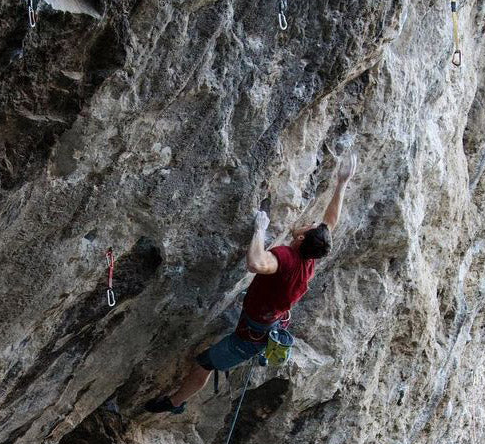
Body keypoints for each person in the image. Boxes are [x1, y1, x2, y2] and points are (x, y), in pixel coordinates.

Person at [145, 155, 357, 414]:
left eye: (308, 226)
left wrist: (260, 230)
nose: (310, 222)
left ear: (301, 237)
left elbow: (256, 263)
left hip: (251, 335)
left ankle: (174, 403)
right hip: (267, 320)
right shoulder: (311, 256)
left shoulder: (286, 258)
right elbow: (330, 222)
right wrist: (342, 183)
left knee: (204, 363)